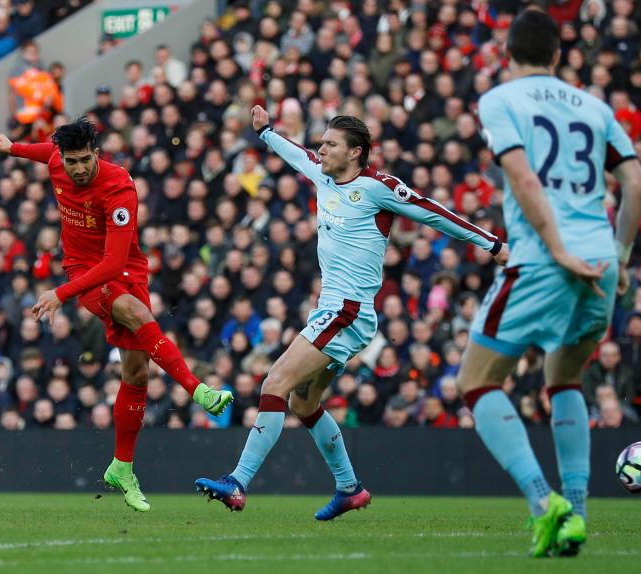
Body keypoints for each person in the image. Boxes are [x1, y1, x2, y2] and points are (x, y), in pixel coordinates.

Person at [195, 105, 508, 520]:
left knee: (275, 383)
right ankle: (350, 489)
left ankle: (237, 482)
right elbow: (296, 154)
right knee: (305, 405)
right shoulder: (322, 174)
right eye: (321, 142)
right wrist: (266, 132)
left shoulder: (378, 188)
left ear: (356, 152)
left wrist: (493, 246)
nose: (320, 149)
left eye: (330, 144)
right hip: (335, 312)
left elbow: (434, 212)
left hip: (347, 312)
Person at [455, 9, 641, 558]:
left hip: (545, 260)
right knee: (563, 376)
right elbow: (635, 186)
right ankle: (579, 516)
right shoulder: (595, 106)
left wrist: (557, 249)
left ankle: (545, 504)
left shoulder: (500, 100)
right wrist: (622, 256)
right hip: (601, 266)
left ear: (508, 54)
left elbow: (521, 176)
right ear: (559, 56)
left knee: (475, 382)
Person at [0, 119, 233, 512]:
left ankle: (122, 466)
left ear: (97, 154)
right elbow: (44, 153)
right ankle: (197, 390)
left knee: (136, 373)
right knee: (136, 314)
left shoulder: (119, 187)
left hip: (123, 269)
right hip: (82, 274)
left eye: (85, 160)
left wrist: (57, 295)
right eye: (72, 162)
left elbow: (115, 260)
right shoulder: (58, 162)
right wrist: (13, 147)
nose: (79, 168)